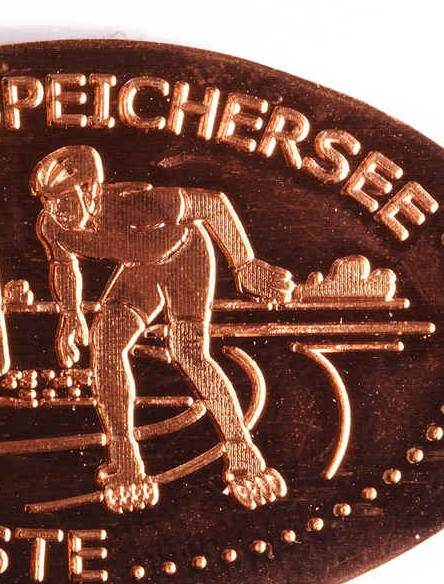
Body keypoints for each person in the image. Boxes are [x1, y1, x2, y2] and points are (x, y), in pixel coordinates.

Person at [32, 145, 294, 513]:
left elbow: (213, 204)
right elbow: (63, 267)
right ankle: (125, 457)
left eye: (62, 199)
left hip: (185, 257)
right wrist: (71, 315)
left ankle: (242, 453)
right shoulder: (53, 227)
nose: (54, 210)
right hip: (141, 269)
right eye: (47, 202)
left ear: (90, 190)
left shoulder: (133, 203)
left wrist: (245, 266)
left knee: (188, 353)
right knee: (105, 342)